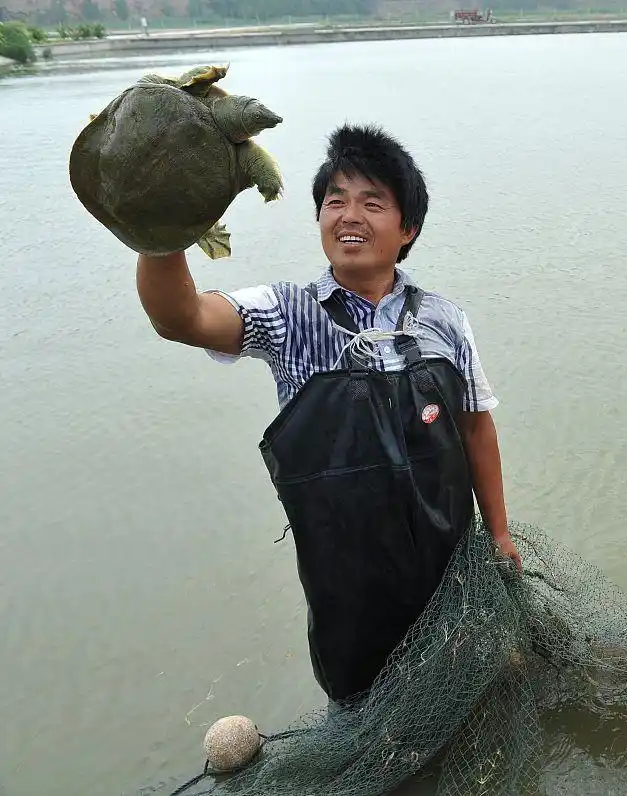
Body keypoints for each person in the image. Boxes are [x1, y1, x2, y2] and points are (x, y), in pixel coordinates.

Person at [135, 123, 522, 707]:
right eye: (335, 201)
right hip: (348, 591)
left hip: (453, 571)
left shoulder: (445, 320)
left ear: (408, 228)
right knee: (365, 709)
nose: (349, 216)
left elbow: (476, 427)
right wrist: (158, 229)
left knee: (469, 695)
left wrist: (498, 532)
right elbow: (181, 317)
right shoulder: (286, 315)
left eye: (373, 202)